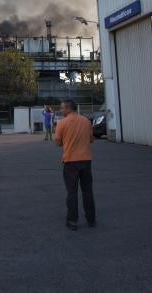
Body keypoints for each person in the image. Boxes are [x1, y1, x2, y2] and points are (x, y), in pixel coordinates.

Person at [54, 98, 96, 230]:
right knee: (87, 191)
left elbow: (58, 142)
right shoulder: (86, 121)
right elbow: (91, 139)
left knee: (72, 192)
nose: (61, 110)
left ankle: (72, 221)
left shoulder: (61, 123)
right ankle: (91, 219)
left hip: (70, 161)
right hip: (86, 160)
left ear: (68, 108)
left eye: (62, 108)